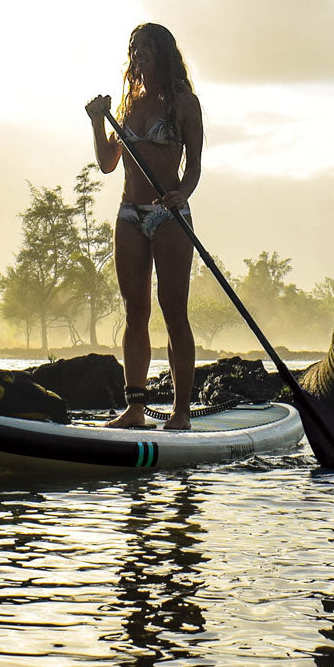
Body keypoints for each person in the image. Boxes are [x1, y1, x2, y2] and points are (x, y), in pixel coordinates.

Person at [85, 23, 203, 430]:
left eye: (148, 48)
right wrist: (98, 122)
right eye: (135, 48)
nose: (140, 54)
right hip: (129, 215)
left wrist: (182, 194)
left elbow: (194, 169)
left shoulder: (185, 104)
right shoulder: (128, 104)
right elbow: (107, 163)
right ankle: (135, 409)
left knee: (174, 312)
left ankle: (181, 413)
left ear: (165, 54)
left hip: (170, 216)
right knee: (136, 311)